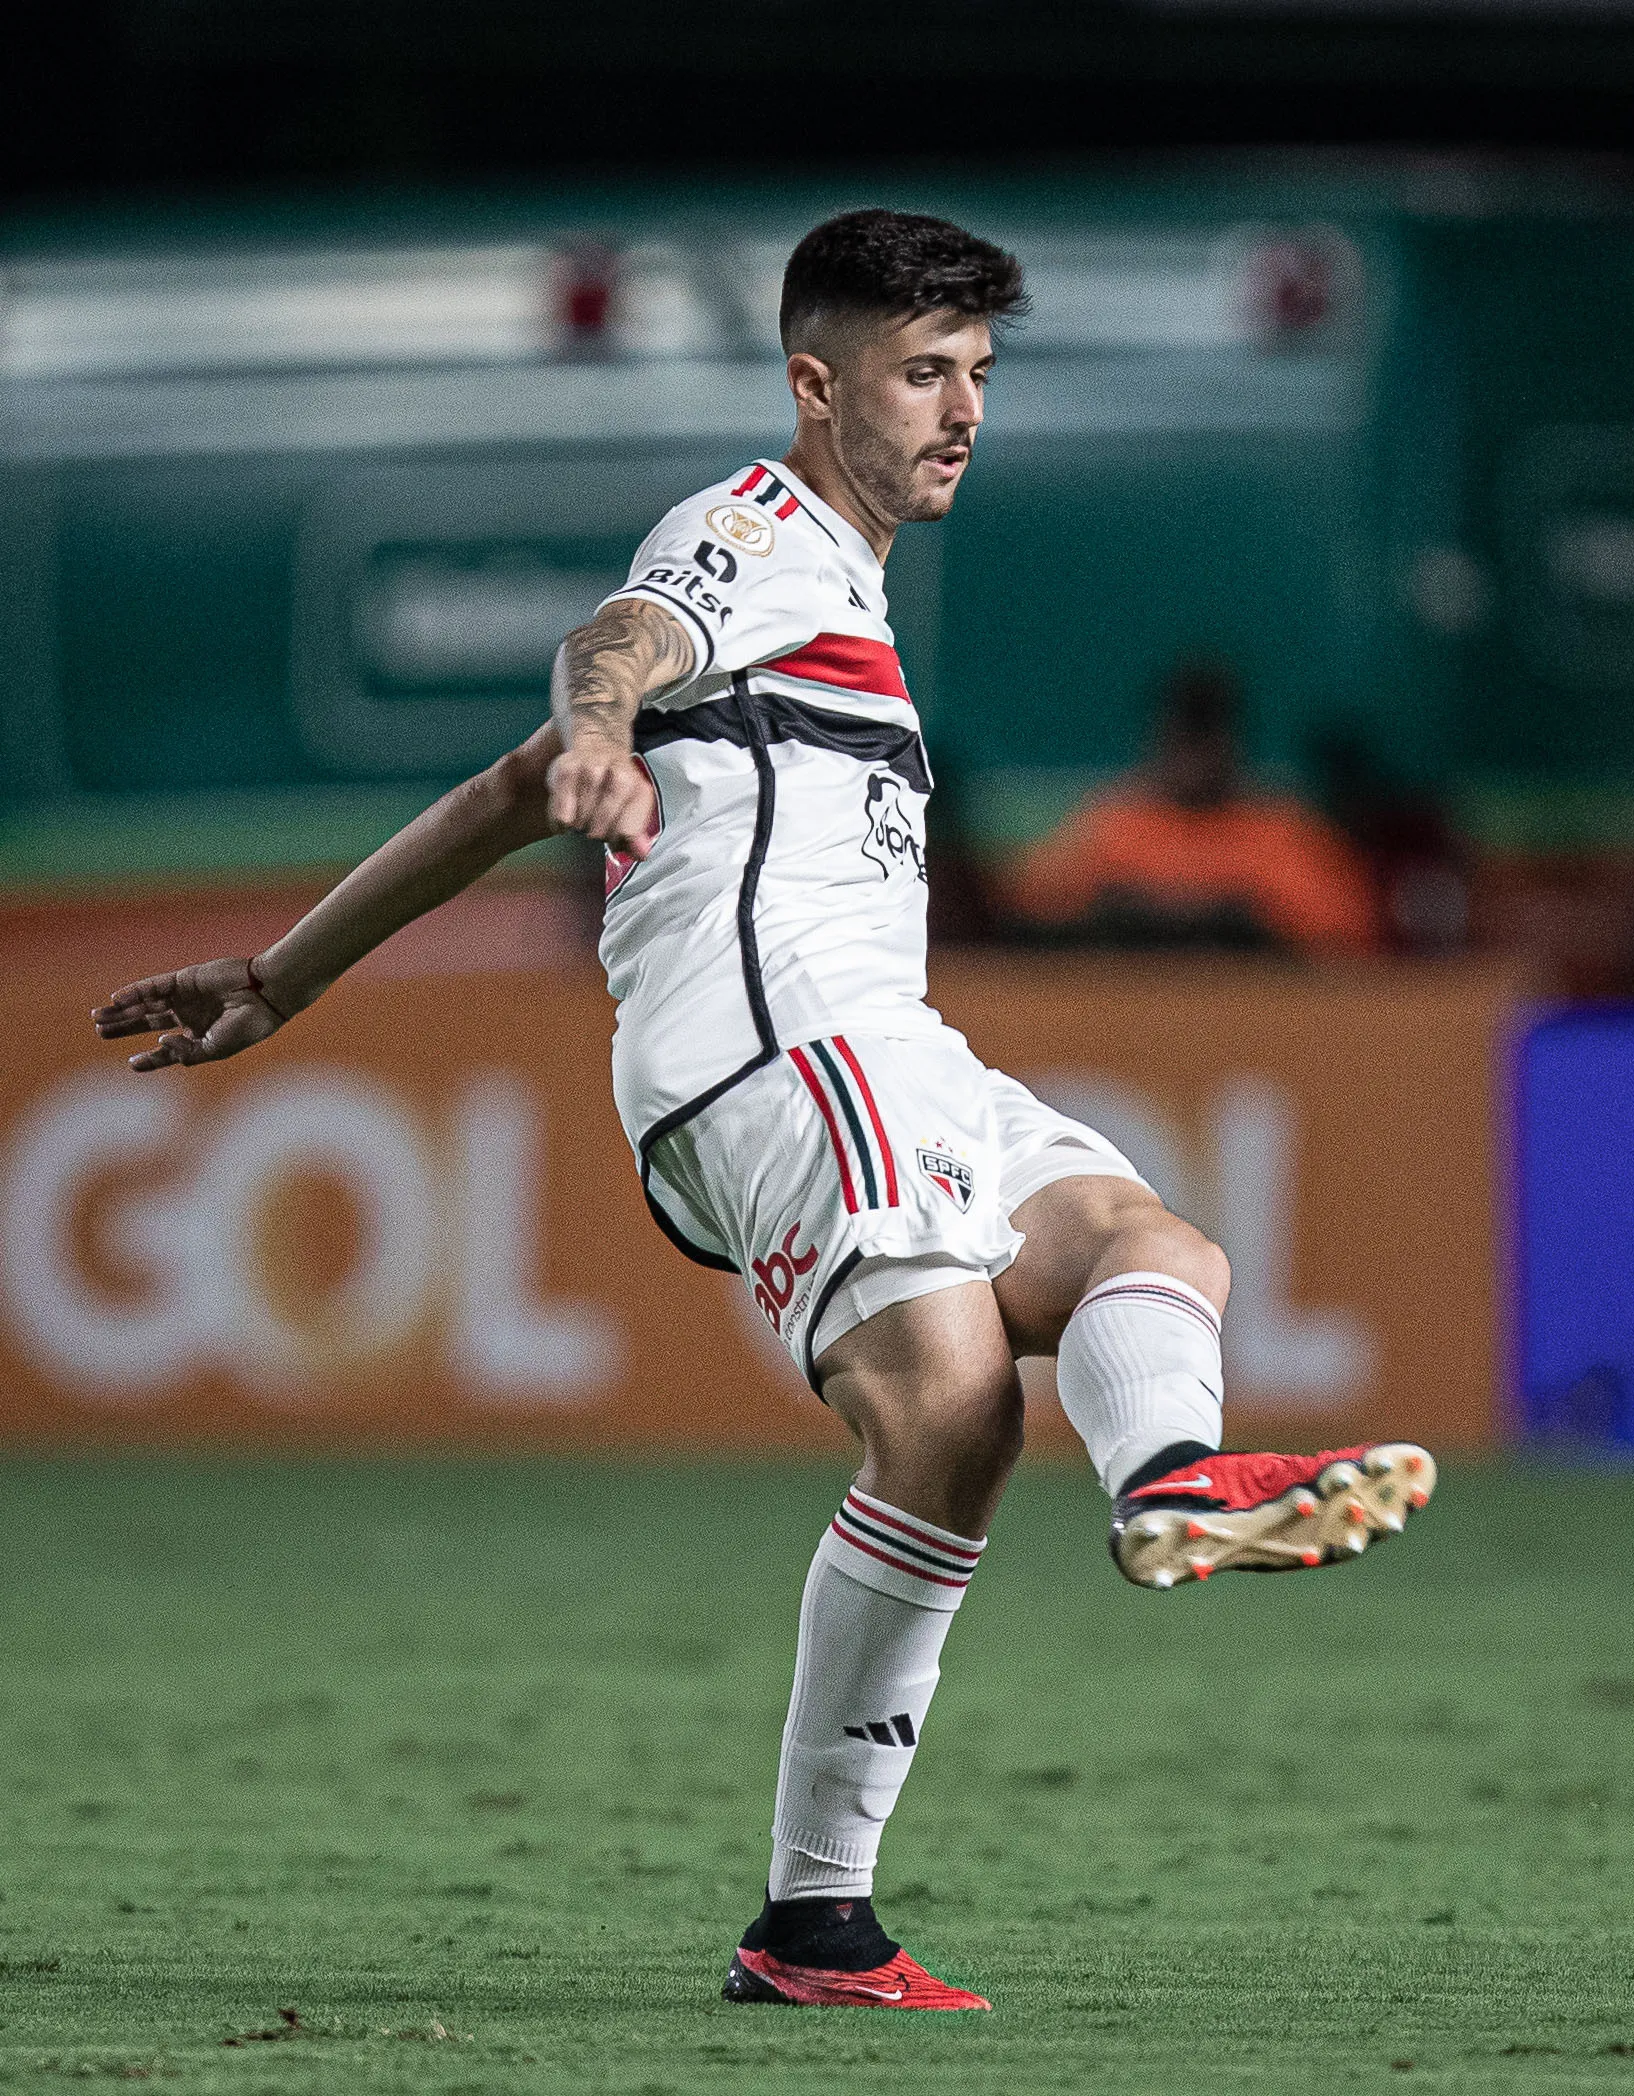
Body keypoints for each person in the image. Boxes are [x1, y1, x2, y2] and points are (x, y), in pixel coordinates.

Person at [88, 209, 1437, 2015]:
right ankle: (861, 1852)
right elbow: (614, 644)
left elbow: (509, 788)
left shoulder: (851, 593)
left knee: (1143, 1245)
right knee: (947, 1403)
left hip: (888, 1042)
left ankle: (1126, 1534)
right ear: (817, 385)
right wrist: (595, 719)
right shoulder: (754, 537)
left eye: (975, 375)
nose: (959, 412)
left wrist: (288, 973)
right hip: (775, 1041)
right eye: (918, 374)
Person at [1003, 661, 1382, 958]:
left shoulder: (1280, 829)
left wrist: (1239, 918)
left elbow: (1346, 932)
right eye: (1184, 733)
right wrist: (1125, 910)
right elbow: (1030, 911)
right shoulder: (1115, 822)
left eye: (1209, 734)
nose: (1196, 753)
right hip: (1122, 1026)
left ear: (1233, 740)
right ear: (1159, 736)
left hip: (1257, 1029)